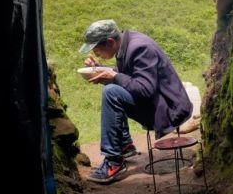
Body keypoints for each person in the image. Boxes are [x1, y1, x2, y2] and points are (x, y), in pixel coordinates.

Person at [78, 19, 193, 183]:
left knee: (111, 92)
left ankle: (113, 161)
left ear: (110, 42)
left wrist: (113, 76)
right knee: (114, 89)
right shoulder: (126, 43)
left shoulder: (140, 48)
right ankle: (124, 145)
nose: (97, 54)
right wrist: (100, 68)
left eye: (97, 51)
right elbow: (130, 77)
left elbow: (144, 90)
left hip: (168, 109)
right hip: (157, 101)